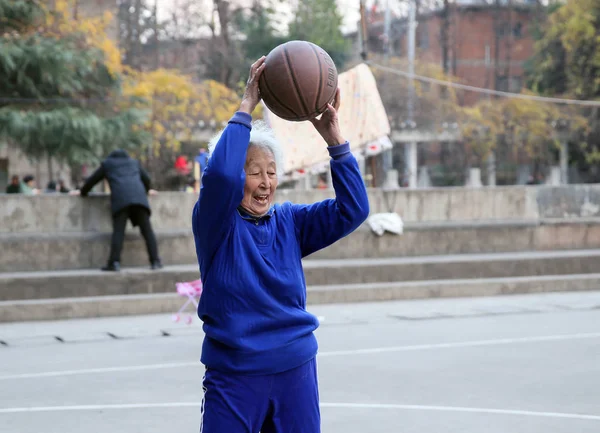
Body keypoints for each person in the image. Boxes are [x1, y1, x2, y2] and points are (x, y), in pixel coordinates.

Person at [192, 56, 370, 433]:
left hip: (296, 370)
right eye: (253, 171)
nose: (265, 182)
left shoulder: (290, 222)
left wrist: (334, 140)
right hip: (235, 375)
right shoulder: (216, 224)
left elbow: (353, 210)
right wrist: (247, 104)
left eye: (271, 172)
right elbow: (221, 173)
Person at [72, 149, 162, 272]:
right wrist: (147, 190)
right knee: (147, 231)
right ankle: (155, 261)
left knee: (118, 232)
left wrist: (82, 192)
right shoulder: (134, 163)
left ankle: (114, 262)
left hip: (121, 199)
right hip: (139, 198)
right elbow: (146, 179)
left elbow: (92, 180)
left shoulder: (108, 164)